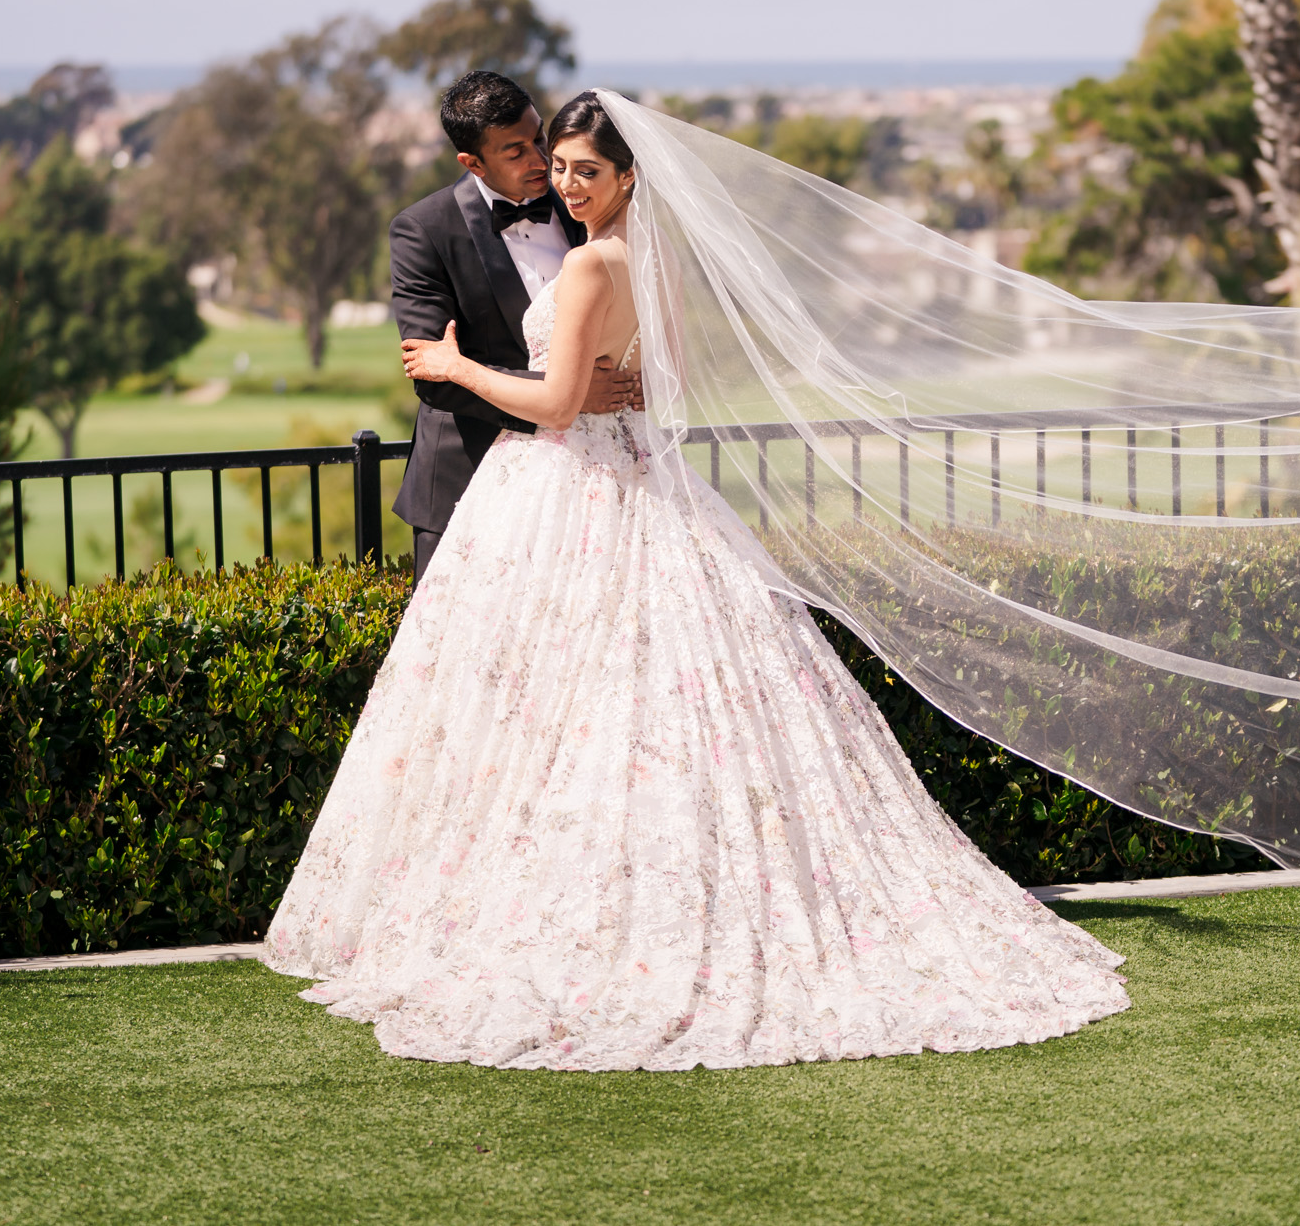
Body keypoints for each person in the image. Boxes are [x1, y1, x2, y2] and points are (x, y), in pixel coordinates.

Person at [261, 92, 1131, 1071]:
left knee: (567, 712)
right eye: (559, 168)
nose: (564, 183)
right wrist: (589, 384)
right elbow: (643, 371)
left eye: (585, 171)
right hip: (632, 468)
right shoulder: (654, 259)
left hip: (571, 478)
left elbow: (550, 406)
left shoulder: (592, 259)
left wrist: (461, 368)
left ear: (630, 176)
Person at [387, 71, 643, 584]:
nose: (541, 160)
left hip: (589, 490)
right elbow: (431, 373)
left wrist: (574, 397)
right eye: (515, 151)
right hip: (465, 484)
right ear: (472, 162)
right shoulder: (423, 230)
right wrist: (566, 397)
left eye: (539, 138)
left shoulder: (584, 206)